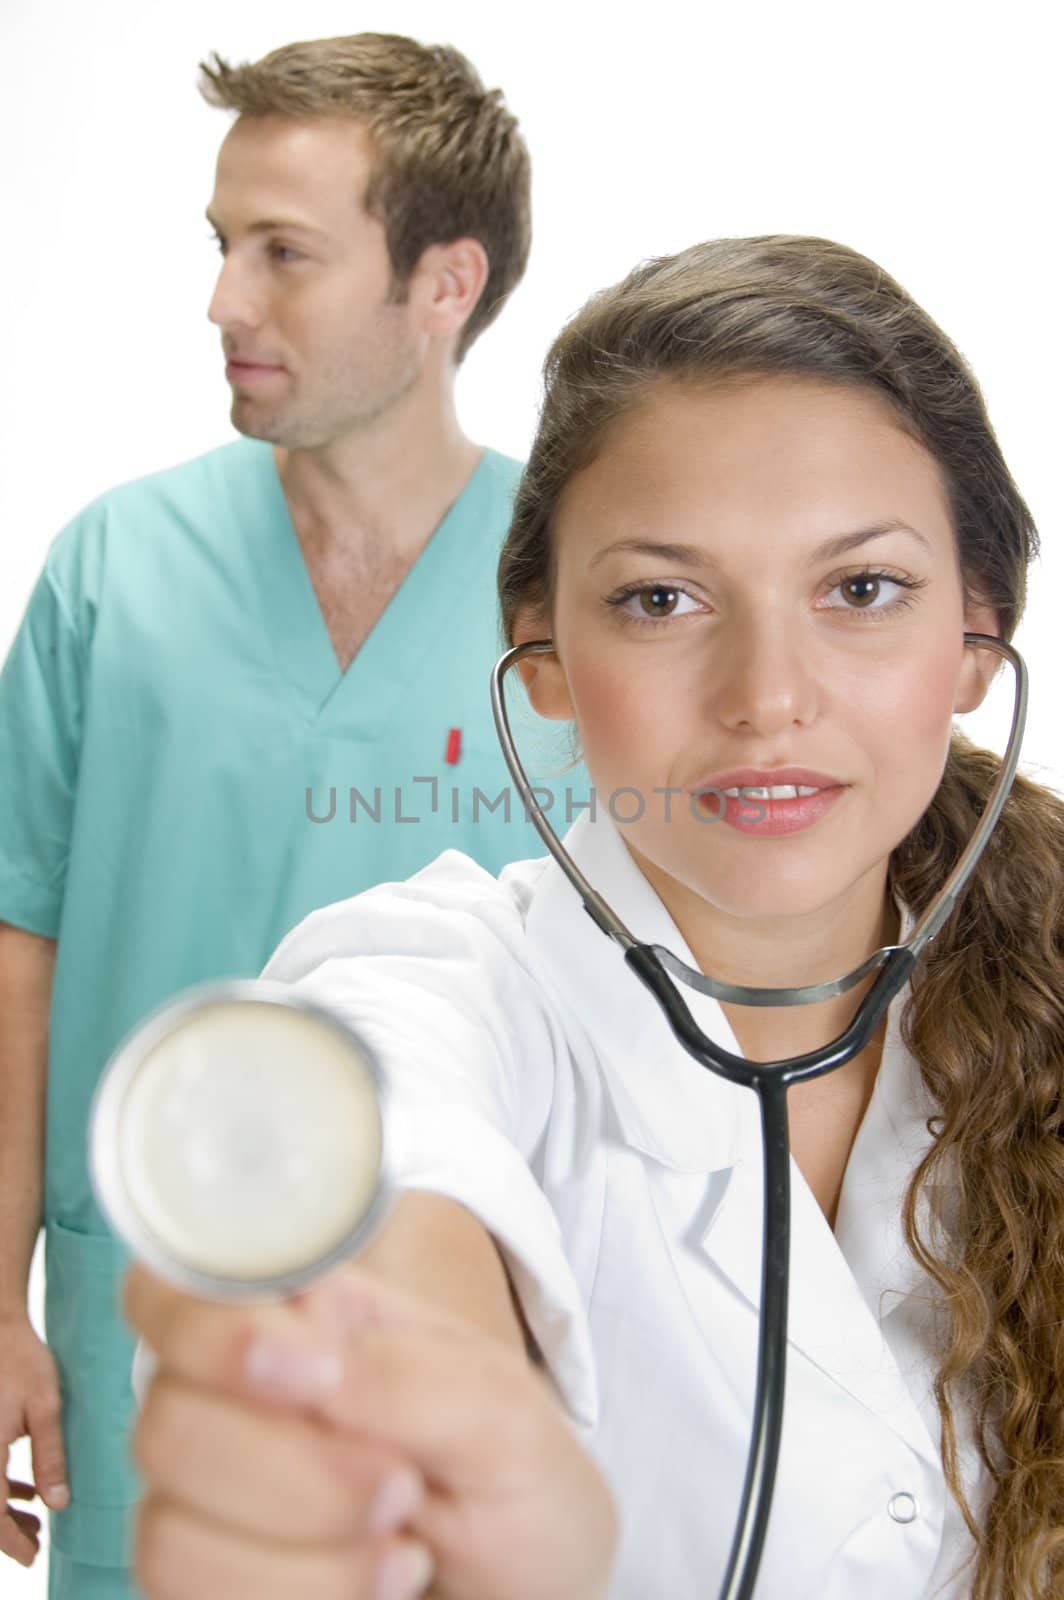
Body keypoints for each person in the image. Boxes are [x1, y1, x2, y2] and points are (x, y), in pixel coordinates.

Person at [127, 235, 1063, 1600]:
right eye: (662, 599)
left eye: (860, 591)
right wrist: (407, 1420)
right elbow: (366, 1152)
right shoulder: (438, 984)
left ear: (977, 639)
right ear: (546, 657)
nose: (768, 696)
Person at [0, 30, 547, 1600]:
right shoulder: (116, 571)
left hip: (468, 1350)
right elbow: (17, 946)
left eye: (283, 254)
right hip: (149, 1333)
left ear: (443, 284)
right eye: (222, 247)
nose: (225, 301)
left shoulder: (578, 593)